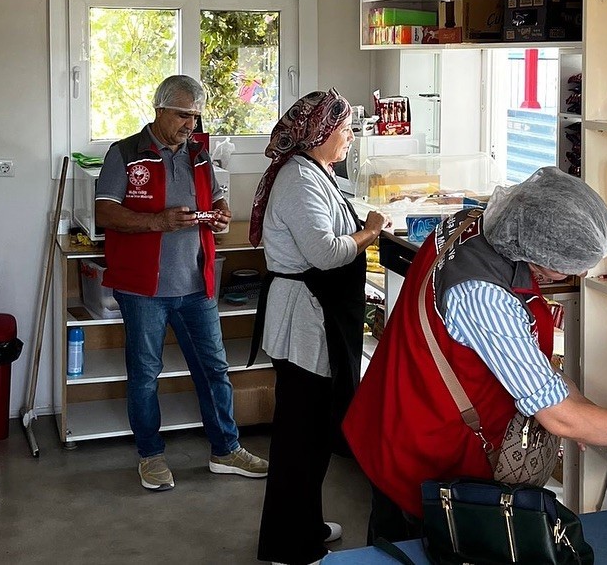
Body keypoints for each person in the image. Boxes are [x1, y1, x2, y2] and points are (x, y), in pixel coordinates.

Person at [342, 167, 607, 541]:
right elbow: (560, 418)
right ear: (537, 248)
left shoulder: (471, 224)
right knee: (409, 548)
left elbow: (539, 379)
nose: (583, 270)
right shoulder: (484, 295)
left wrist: (586, 415)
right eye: (569, 264)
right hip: (420, 449)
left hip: (399, 410)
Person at [95, 75, 268, 491]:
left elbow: (213, 201)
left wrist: (221, 212)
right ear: (159, 110)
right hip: (144, 290)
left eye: (195, 115)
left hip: (196, 284)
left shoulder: (200, 155)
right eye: (182, 115)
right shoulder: (125, 154)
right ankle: (150, 456)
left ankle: (225, 450)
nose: (190, 124)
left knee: (213, 369)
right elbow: (104, 214)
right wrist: (158, 221)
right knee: (144, 375)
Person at [248, 89, 389, 565]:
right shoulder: (297, 181)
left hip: (313, 317)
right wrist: (369, 230)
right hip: (302, 322)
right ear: (321, 133)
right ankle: (289, 546)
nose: (350, 138)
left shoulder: (315, 172)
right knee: (299, 439)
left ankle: (303, 524)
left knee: (313, 434)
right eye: (346, 130)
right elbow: (325, 253)